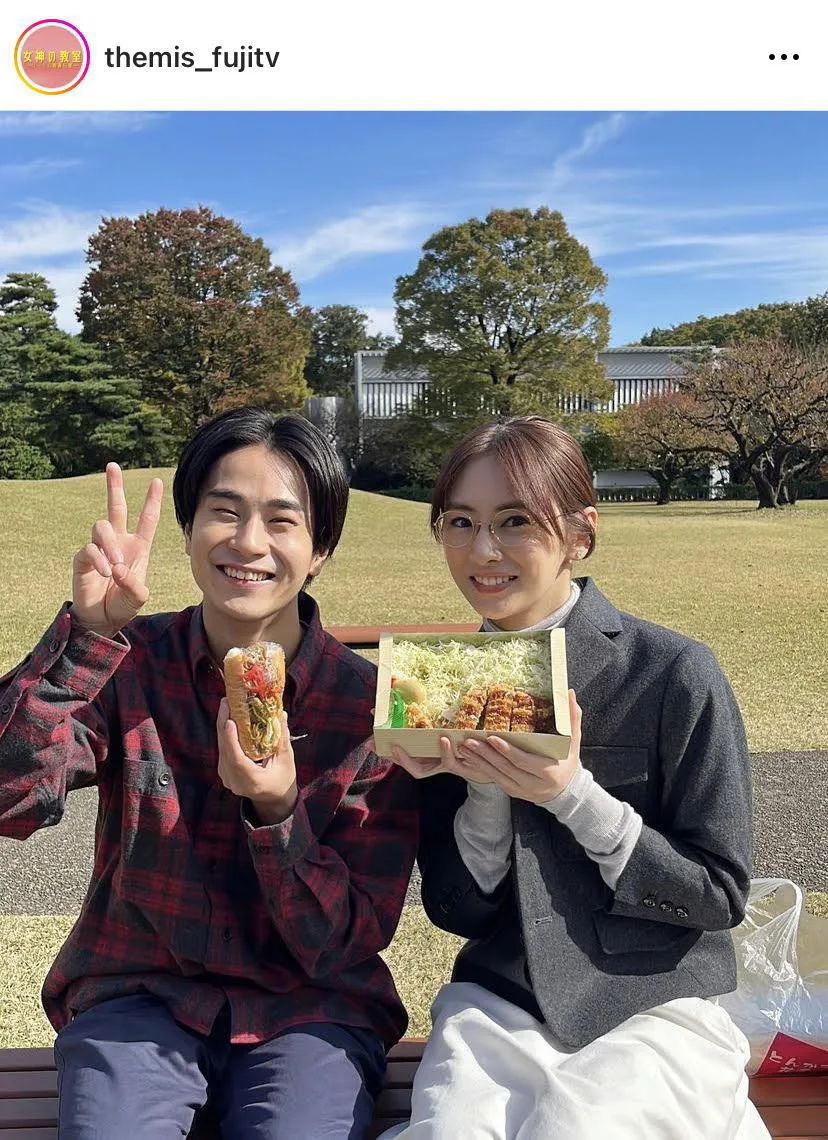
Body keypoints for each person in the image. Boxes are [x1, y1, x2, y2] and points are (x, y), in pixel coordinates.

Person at [0, 407, 418, 1140]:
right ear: (190, 529)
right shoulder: (131, 663)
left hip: (312, 1008)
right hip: (139, 993)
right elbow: (11, 800)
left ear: (320, 548)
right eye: (224, 512)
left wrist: (278, 812)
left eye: (282, 521)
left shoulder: (369, 708)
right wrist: (89, 640)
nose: (248, 543)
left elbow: (343, 939)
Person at [384, 416, 770, 1140]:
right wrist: (484, 791)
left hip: (655, 1004)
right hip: (499, 1003)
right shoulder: (441, 683)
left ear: (580, 533)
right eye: (460, 522)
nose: (483, 550)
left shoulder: (672, 672)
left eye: (515, 521)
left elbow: (720, 895)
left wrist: (570, 796)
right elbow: (457, 910)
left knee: (577, 1129)